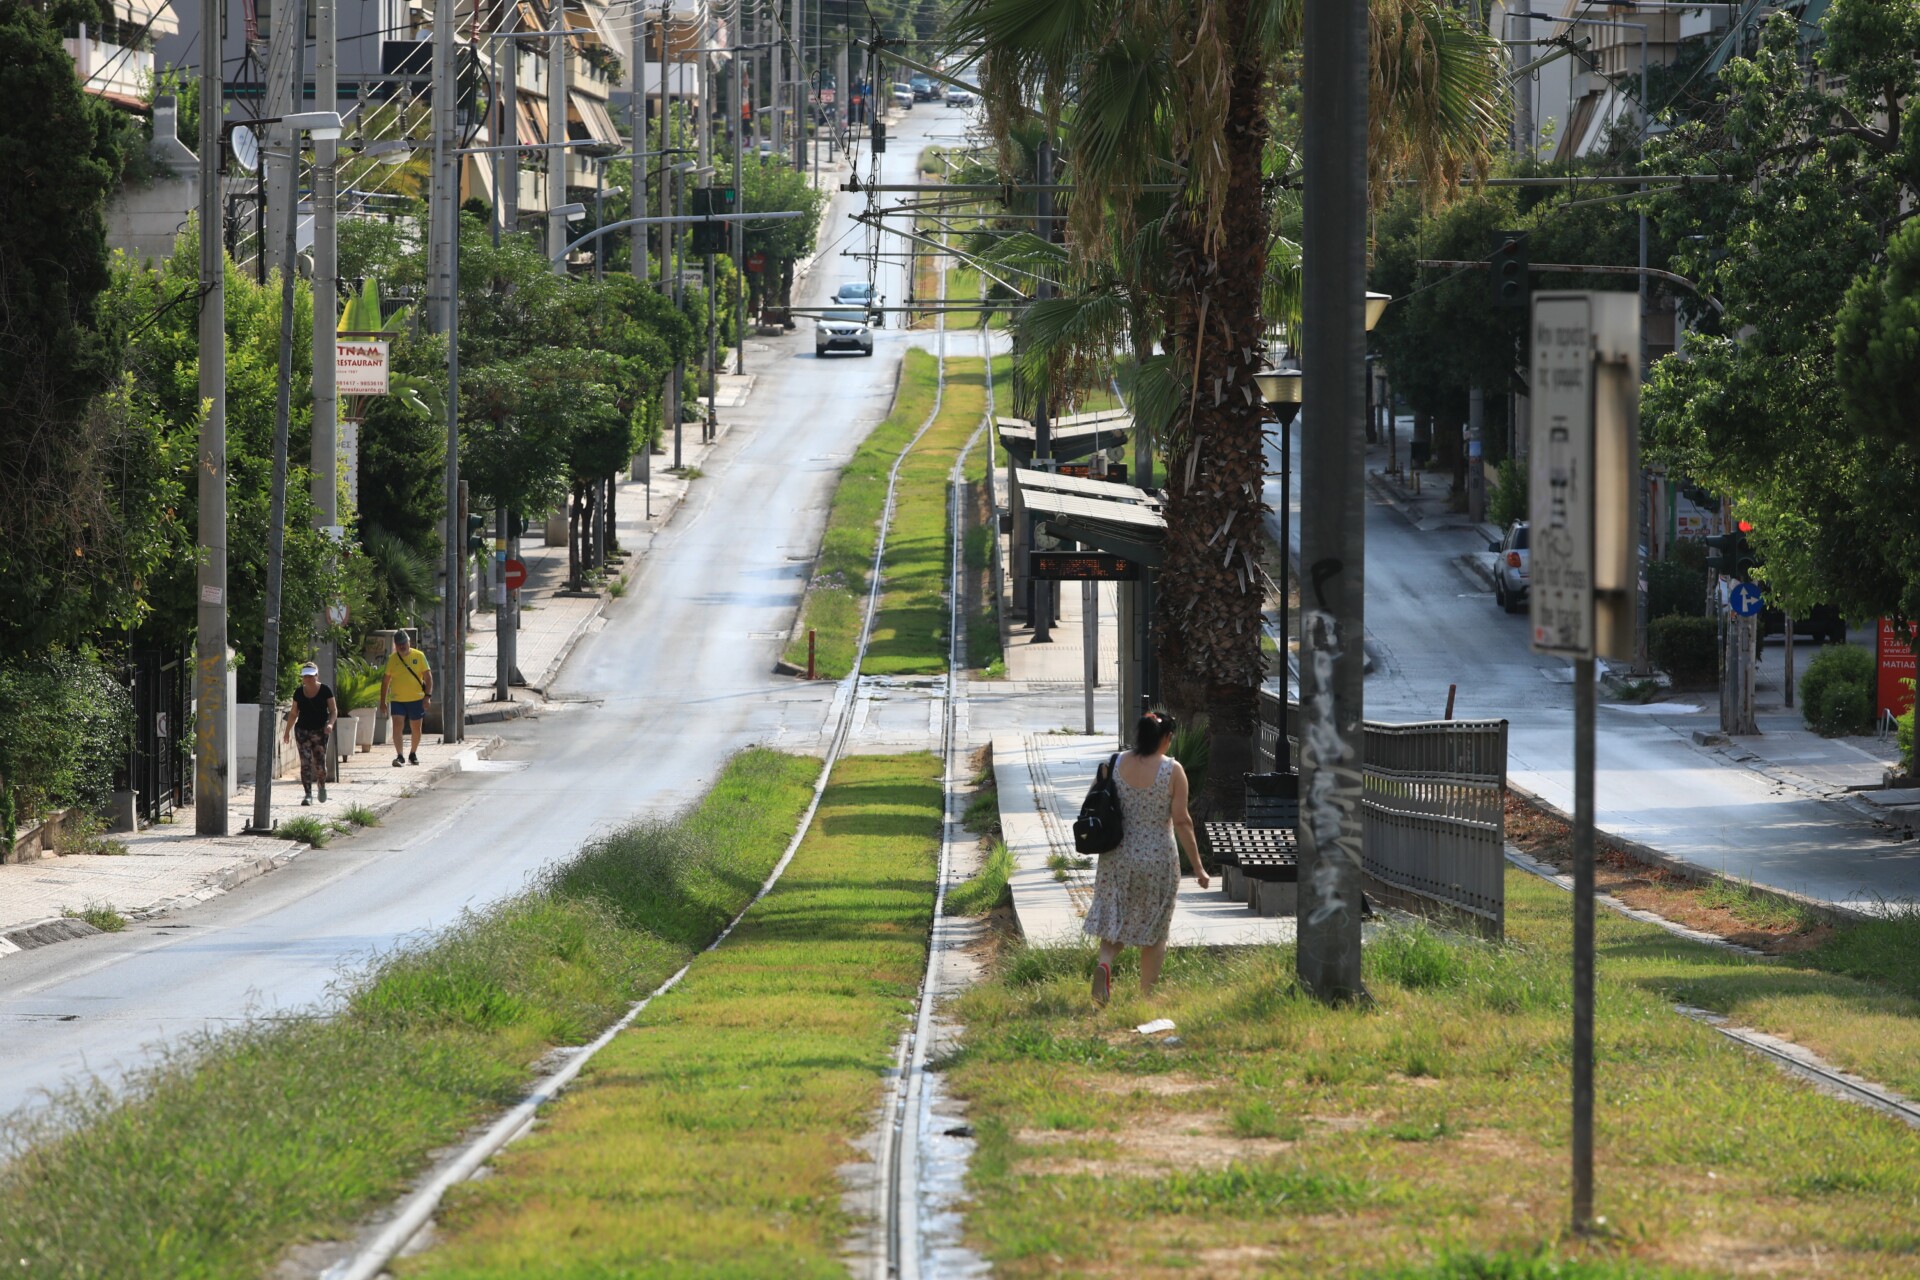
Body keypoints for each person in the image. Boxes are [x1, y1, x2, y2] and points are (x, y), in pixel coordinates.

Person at [1082, 710, 1208, 1006]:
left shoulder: (1114, 763)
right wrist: (1199, 867)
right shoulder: (1172, 770)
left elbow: (1094, 802)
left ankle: (1105, 964)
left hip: (1117, 856)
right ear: (1165, 738)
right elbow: (1182, 821)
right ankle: (1147, 998)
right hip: (1158, 858)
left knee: (1116, 917)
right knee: (1155, 931)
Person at [281, 662, 338, 806]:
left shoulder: (325, 690)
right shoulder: (299, 692)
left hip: (320, 731)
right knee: (305, 763)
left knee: (319, 764)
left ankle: (322, 785)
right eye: (305, 676)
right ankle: (307, 794)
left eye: (311, 676)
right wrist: (287, 731)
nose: (308, 679)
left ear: (316, 676)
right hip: (302, 731)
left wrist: (330, 724)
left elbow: (333, 710)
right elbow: (294, 713)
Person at [381, 630, 432, 767]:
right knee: (397, 725)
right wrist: (383, 701)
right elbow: (385, 681)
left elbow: (428, 677)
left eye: (404, 643)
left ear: (409, 642)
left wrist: (427, 696)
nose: (402, 647)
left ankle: (413, 753)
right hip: (397, 699)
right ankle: (400, 755)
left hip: (416, 699)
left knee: (416, 727)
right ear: (395, 645)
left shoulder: (419, 656)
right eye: (399, 645)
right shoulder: (392, 659)